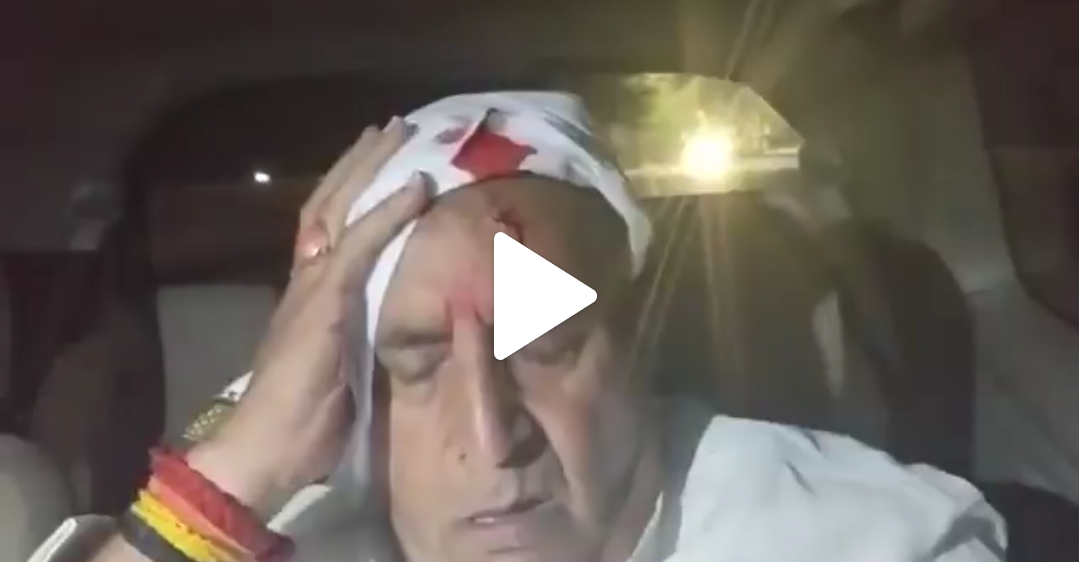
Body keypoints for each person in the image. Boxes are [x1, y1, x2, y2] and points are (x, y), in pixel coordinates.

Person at [29, 92, 1006, 562]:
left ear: (637, 348)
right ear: (352, 393)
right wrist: (239, 462)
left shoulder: (855, 539)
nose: (491, 436)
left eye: (545, 347)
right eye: (415, 364)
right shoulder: (276, 532)